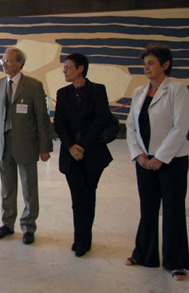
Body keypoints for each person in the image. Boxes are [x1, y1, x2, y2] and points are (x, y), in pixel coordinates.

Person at [125, 44, 189, 281]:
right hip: (144, 161)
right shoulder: (139, 92)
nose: (146, 67)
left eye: (151, 63)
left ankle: (176, 262)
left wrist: (160, 158)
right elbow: (131, 126)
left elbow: (180, 127)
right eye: (145, 63)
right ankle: (144, 254)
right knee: (148, 209)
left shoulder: (178, 89)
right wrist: (139, 155)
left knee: (173, 210)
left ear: (165, 65)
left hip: (172, 160)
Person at [0, 47, 52, 245]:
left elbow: (42, 118)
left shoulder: (33, 85)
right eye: (2, 60)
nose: (4, 63)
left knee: (29, 188)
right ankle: (7, 224)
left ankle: (28, 226)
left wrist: (44, 147)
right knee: (7, 188)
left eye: (8, 60)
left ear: (20, 63)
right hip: (3, 144)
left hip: (27, 144)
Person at [54, 53, 112, 257]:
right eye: (64, 68)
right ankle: (80, 238)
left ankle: (84, 239)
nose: (65, 71)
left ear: (81, 69)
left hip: (92, 153)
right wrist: (71, 146)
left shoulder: (97, 90)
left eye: (68, 67)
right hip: (71, 154)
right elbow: (59, 123)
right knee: (78, 197)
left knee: (89, 195)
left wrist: (82, 145)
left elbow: (101, 119)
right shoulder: (62, 93)